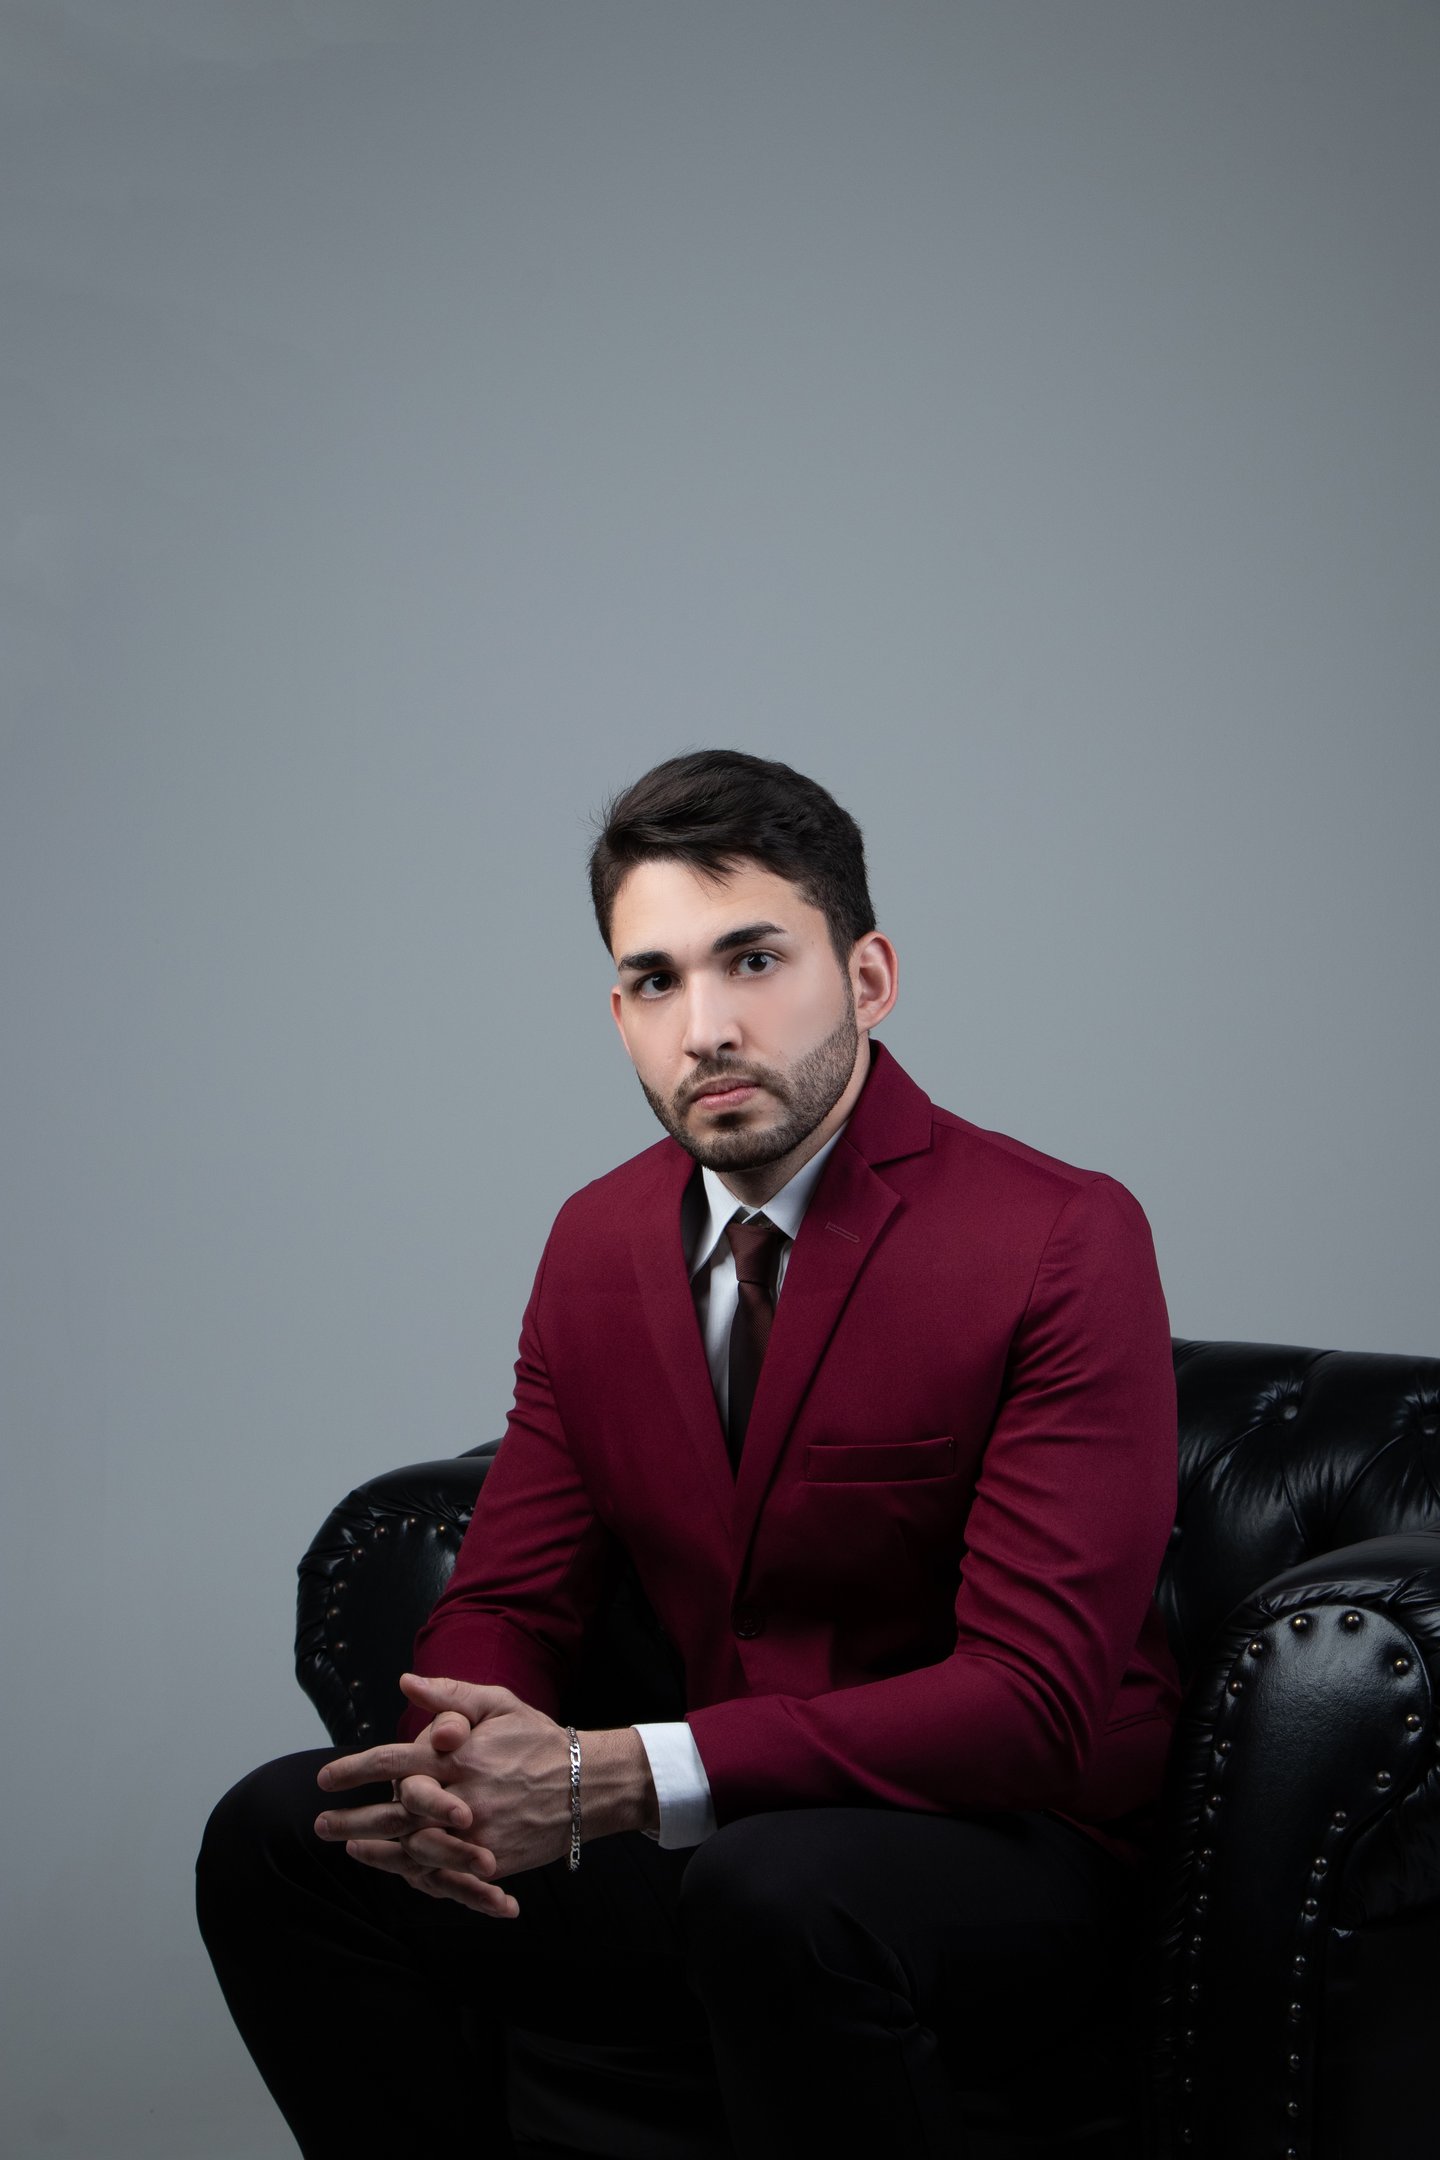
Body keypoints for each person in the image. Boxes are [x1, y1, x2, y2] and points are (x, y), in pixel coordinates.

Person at [198, 750, 1180, 2158]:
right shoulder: (596, 1241)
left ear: (869, 977)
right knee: (278, 1839)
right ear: (620, 1016)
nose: (706, 1027)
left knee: (774, 1892)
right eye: (656, 981)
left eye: (754, 960)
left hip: (1010, 1848)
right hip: (719, 1836)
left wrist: (616, 1776)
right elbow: (512, 1593)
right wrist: (461, 1761)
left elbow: (1032, 1704)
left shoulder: (1058, 1238)